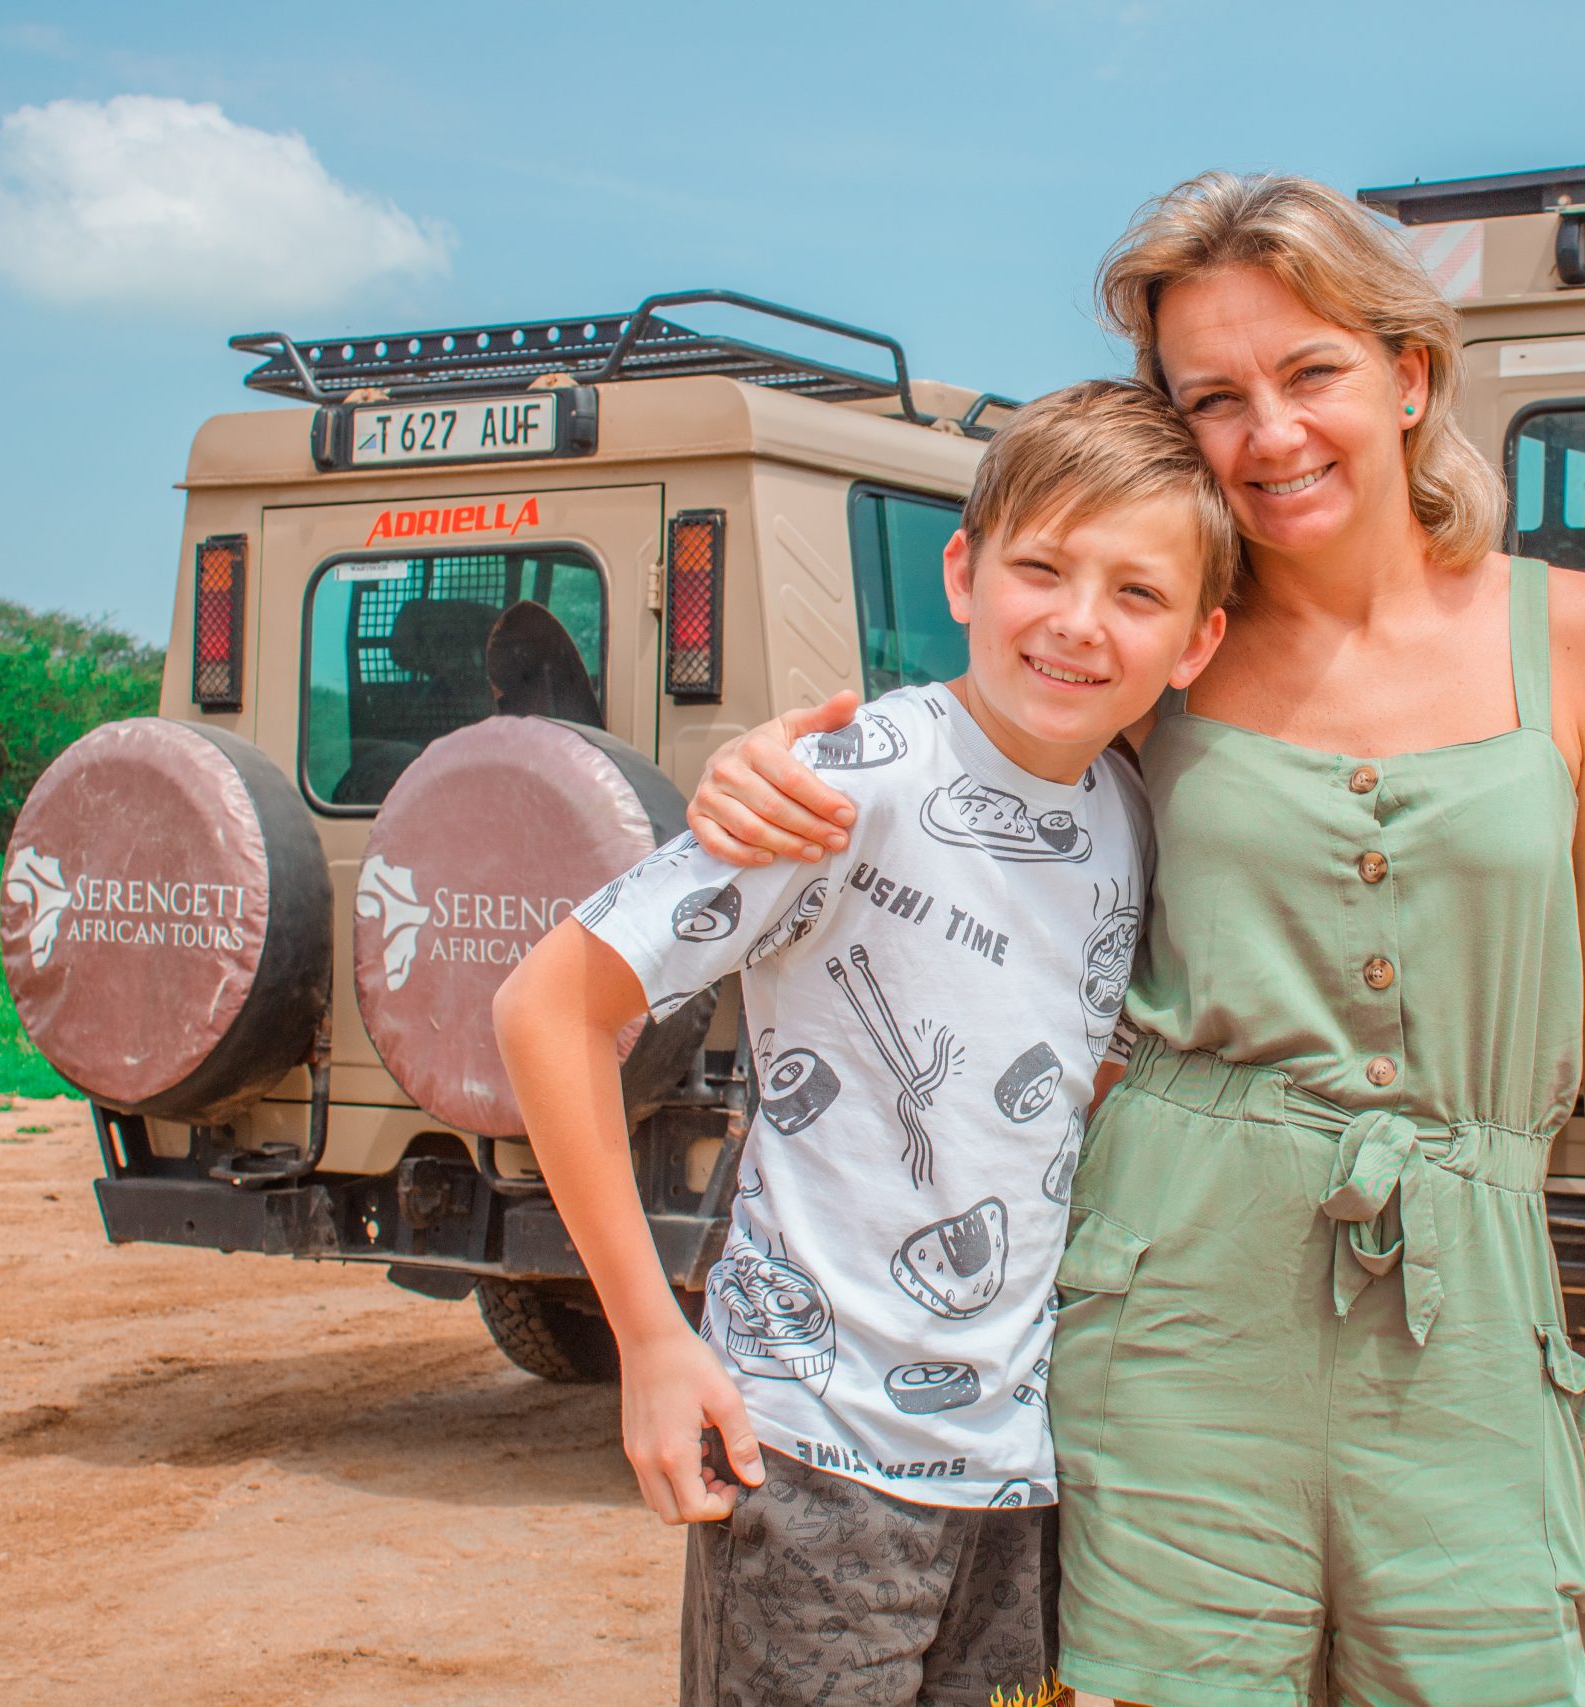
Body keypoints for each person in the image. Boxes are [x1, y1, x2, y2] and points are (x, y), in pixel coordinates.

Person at [685, 172, 1585, 1707]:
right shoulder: (1163, 646)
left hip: (1475, 1313)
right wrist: (755, 768)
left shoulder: (1576, 639)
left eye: (1311, 373)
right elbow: (948, 762)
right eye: (1213, 398)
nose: (1270, 435)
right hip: (1172, 1313)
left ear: (1409, 376)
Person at [491, 378, 1234, 1707]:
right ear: (963, 572)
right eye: (1043, 568)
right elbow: (548, 1009)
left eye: (1137, 592)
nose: (1079, 621)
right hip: (810, 1459)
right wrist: (651, 1342)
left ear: (1197, 640)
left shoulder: (1129, 816)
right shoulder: (851, 779)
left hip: (1019, 1472)